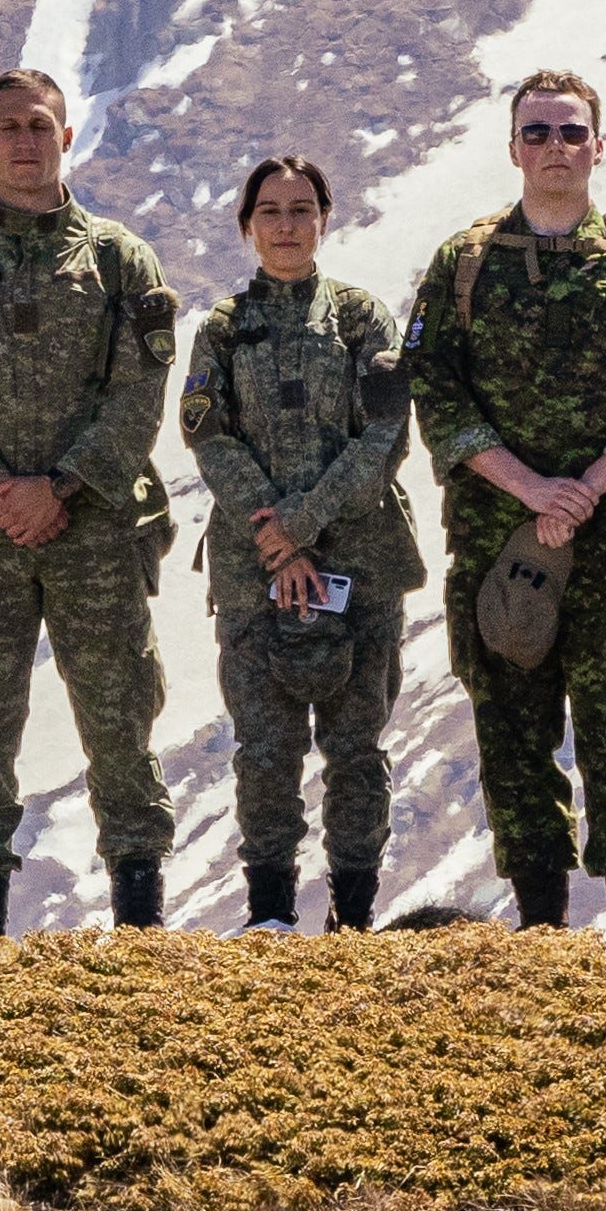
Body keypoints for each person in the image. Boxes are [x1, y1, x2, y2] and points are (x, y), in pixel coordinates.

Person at [0, 72, 181, 943]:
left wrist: (57, 487)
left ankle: (139, 926)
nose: (25, 141)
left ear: (67, 135)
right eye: (8, 127)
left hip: (93, 526)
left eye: (40, 126)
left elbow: (141, 387)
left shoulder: (117, 257)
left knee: (120, 716)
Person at [412, 68, 606, 934]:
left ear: (598, 147)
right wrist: (531, 488)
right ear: (512, 149)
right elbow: (437, 391)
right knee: (512, 745)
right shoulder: (464, 264)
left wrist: (583, 493)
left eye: (571, 133)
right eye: (537, 133)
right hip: (501, 549)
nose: (554, 149)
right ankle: (542, 942)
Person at [180, 154, 417, 933]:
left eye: (302, 209)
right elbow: (209, 439)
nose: (287, 225)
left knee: (355, 749)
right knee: (264, 748)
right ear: (246, 225)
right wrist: (276, 540)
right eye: (271, 211)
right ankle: (270, 916)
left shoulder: (360, 320)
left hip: (362, 561)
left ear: (325, 219)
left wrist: (304, 524)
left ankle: (352, 916)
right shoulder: (219, 330)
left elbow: (383, 436)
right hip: (253, 572)